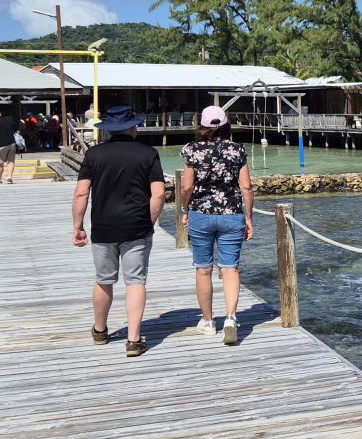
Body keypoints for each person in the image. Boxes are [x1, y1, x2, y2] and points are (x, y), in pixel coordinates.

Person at [73, 105, 166, 357]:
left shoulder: (94, 154)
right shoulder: (149, 153)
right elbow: (158, 194)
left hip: (103, 225)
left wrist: (78, 226)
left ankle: (100, 331)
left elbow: (82, 192)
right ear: (133, 126)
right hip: (137, 226)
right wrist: (150, 222)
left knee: (104, 280)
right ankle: (133, 340)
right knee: (135, 281)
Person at [178, 105, 253, 345]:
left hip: (201, 214)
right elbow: (246, 187)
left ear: (202, 124)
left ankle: (209, 322)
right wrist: (248, 217)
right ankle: (231, 318)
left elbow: (186, 187)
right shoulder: (237, 150)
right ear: (225, 124)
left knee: (203, 269)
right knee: (230, 268)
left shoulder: (192, 150)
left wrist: (184, 208)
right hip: (232, 214)